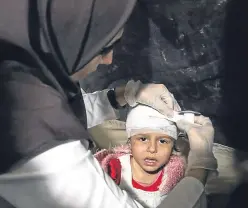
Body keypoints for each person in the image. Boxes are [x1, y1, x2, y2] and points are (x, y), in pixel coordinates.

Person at [0, 0, 217, 207]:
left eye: (162, 140)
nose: (109, 60)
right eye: (103, 48)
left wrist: (121, 96)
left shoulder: (24, 65)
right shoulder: (37, 143)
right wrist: (200, 165)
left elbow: (64, 109)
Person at [95, 105, 186, 208]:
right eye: (143, 139)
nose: (152, 149)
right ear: (130, 142)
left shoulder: (174, 176)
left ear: (173, 146)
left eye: (162, 141)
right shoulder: (114, 169)